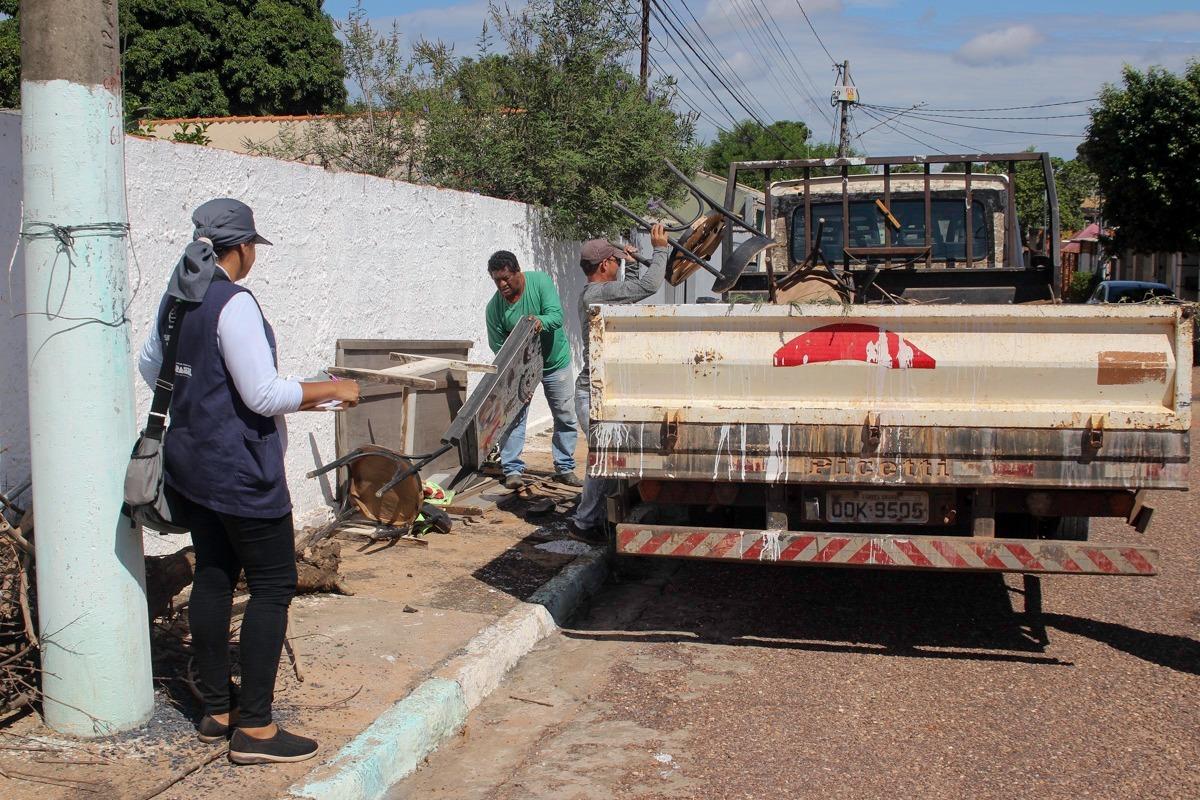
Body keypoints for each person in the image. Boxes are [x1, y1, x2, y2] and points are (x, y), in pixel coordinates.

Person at [138, 199, 360, 765]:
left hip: (192, 467)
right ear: (241, 248)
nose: (254, 256)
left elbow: (152, 367)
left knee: (214, 573)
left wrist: (236, 401)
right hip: (241, 474)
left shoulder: (178, 297)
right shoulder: (232, 302)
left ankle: (217, 709)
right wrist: (329, 389)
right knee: (272, 586)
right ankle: (256, 729)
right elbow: (262, 394)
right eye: (254, 246)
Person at [570, 224, 669, 544]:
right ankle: (584, 523)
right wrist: (660, 249)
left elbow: (635, 287)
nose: (617, 264)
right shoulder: (598, 293)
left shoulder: (599, 293)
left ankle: (596, 517)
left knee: (608, 454)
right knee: (603, 455)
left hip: (599, 390)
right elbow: (650, 286)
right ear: (603, 266)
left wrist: (634, 259)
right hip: (592, 392)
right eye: (615, 260)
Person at [484, 250, 580, 489]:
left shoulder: (540, 282)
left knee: (565, 415)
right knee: (513, 417)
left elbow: (556, 316)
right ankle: (512, 470)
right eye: (497, 280)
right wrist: (515, 376)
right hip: (523, 370)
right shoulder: (494, 309)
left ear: (518, 271)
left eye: (506, 278)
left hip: (554, 362)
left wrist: (539, 321)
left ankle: (565, 467)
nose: (502, 284)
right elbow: (500, 347)